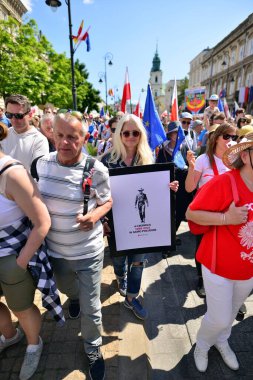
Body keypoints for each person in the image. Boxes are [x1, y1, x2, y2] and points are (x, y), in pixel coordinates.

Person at [34, 113, 112, 380]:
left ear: (84, 139)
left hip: (88, 252)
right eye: (60, 135)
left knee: (92, 308)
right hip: (55, 253)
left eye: (72, 137)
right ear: (52, 134)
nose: (65, 142)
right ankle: (74, 296)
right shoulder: (41, 165)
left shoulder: (96, 169)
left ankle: (93, 348)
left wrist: (94, 216)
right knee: (68, 290)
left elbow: (108, 201)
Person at [186, 133, 253, 373]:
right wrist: (226, 217)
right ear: (245, 156)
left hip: (247, 268)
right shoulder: (226, 182)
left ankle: (222, 340)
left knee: (233, 312)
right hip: (218, 264)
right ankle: (202, 345)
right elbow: (191, 214)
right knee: (219, 317)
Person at [101, 114, 178, 320]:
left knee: (138, 261)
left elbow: (154, 187)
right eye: (126, 132)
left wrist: (168, 187)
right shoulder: (107, 160)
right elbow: (97, 195)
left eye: (136, 132)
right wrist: (102, 221)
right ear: (119, 134)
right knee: (118, 259)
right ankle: (120, 277)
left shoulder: (147, 158)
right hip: (116, 222)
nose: (131, 136)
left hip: (141, 225)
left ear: (141, 135)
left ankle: (131, 297)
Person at [0, 122, 51, 379]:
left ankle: (33, 344)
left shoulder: (12, 173)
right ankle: (10, 336)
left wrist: (20, 262)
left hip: (11, 255)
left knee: (21, 307)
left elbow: (42, 222)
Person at [185, 123, 237, 297]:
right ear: (216, 138)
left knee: (229, 251)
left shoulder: (236, 160)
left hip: (230, 215)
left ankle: (232, 289)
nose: (231, 140)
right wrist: (191, 169)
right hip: (206, 214)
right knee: (203, 248)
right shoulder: (203, 160)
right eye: (227, 136)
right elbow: (189, 188)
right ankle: (201, 280)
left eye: (234, 137)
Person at [1, 94, 49, 171]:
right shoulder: (3, 135)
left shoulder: (39, 140)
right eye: (9, 115)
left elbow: (39, 173)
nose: (13, 119)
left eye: (18, 116)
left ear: (30, 115)